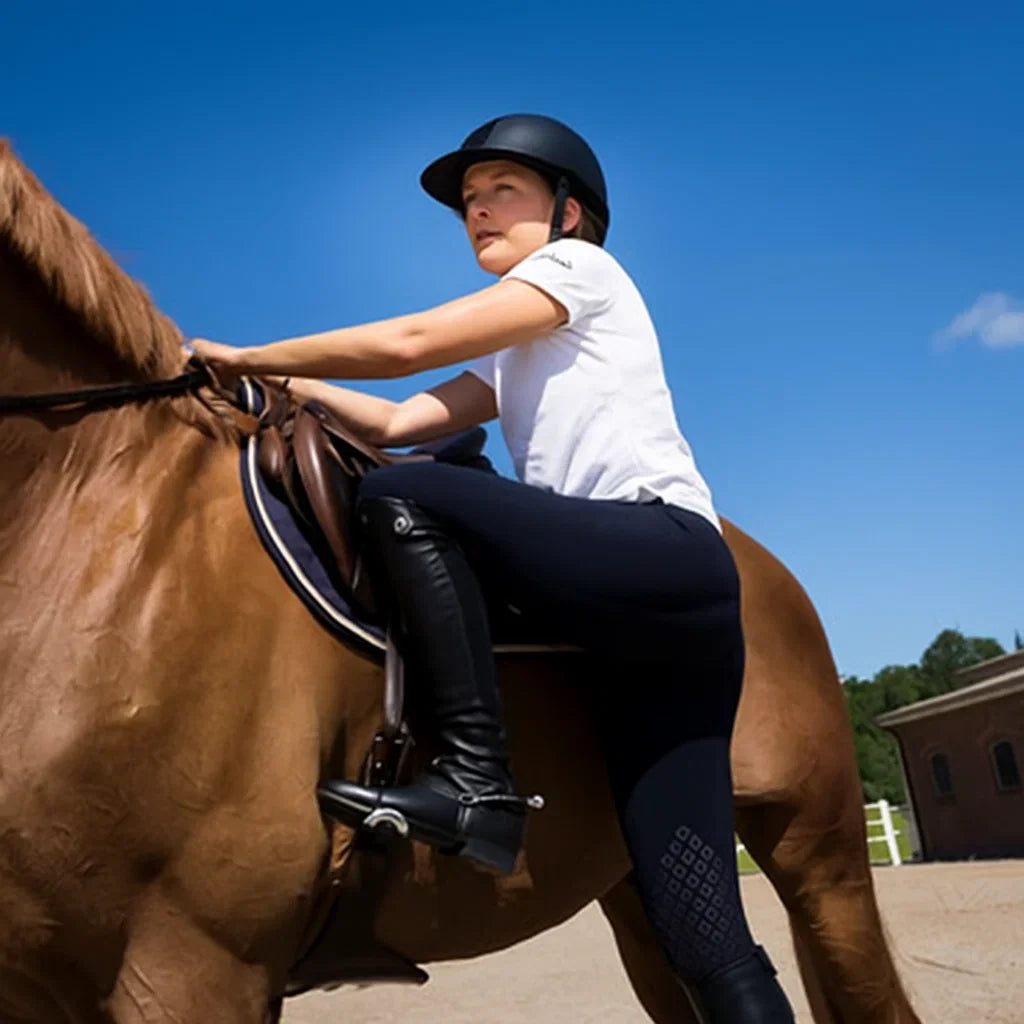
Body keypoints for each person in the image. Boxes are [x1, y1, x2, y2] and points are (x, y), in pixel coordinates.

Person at [191, 114, 794, 1021]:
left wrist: (249, 352)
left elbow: (409, 345)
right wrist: (274, 390)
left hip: (660, 548)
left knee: (409, 499)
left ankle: (476, 779)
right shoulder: (522, 354)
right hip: (652, 639)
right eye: (469, 203)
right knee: (703, 941)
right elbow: (395, 421)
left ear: (571, 213)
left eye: (500, 191)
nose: (477, 212)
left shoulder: (580, 271)